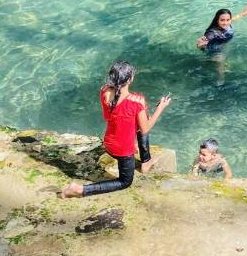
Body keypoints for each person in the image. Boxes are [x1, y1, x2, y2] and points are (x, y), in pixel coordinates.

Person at [60, 60, 171, 198]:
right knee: (125, 182)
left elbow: (111, 115)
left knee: (138, 117)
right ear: (130, 79)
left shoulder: (104, 90)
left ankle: (146, 162)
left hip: (108, 143)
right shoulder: (137, 100)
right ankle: (79, 190)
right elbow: (145, 129)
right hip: (122, 151)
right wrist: (160, 108)